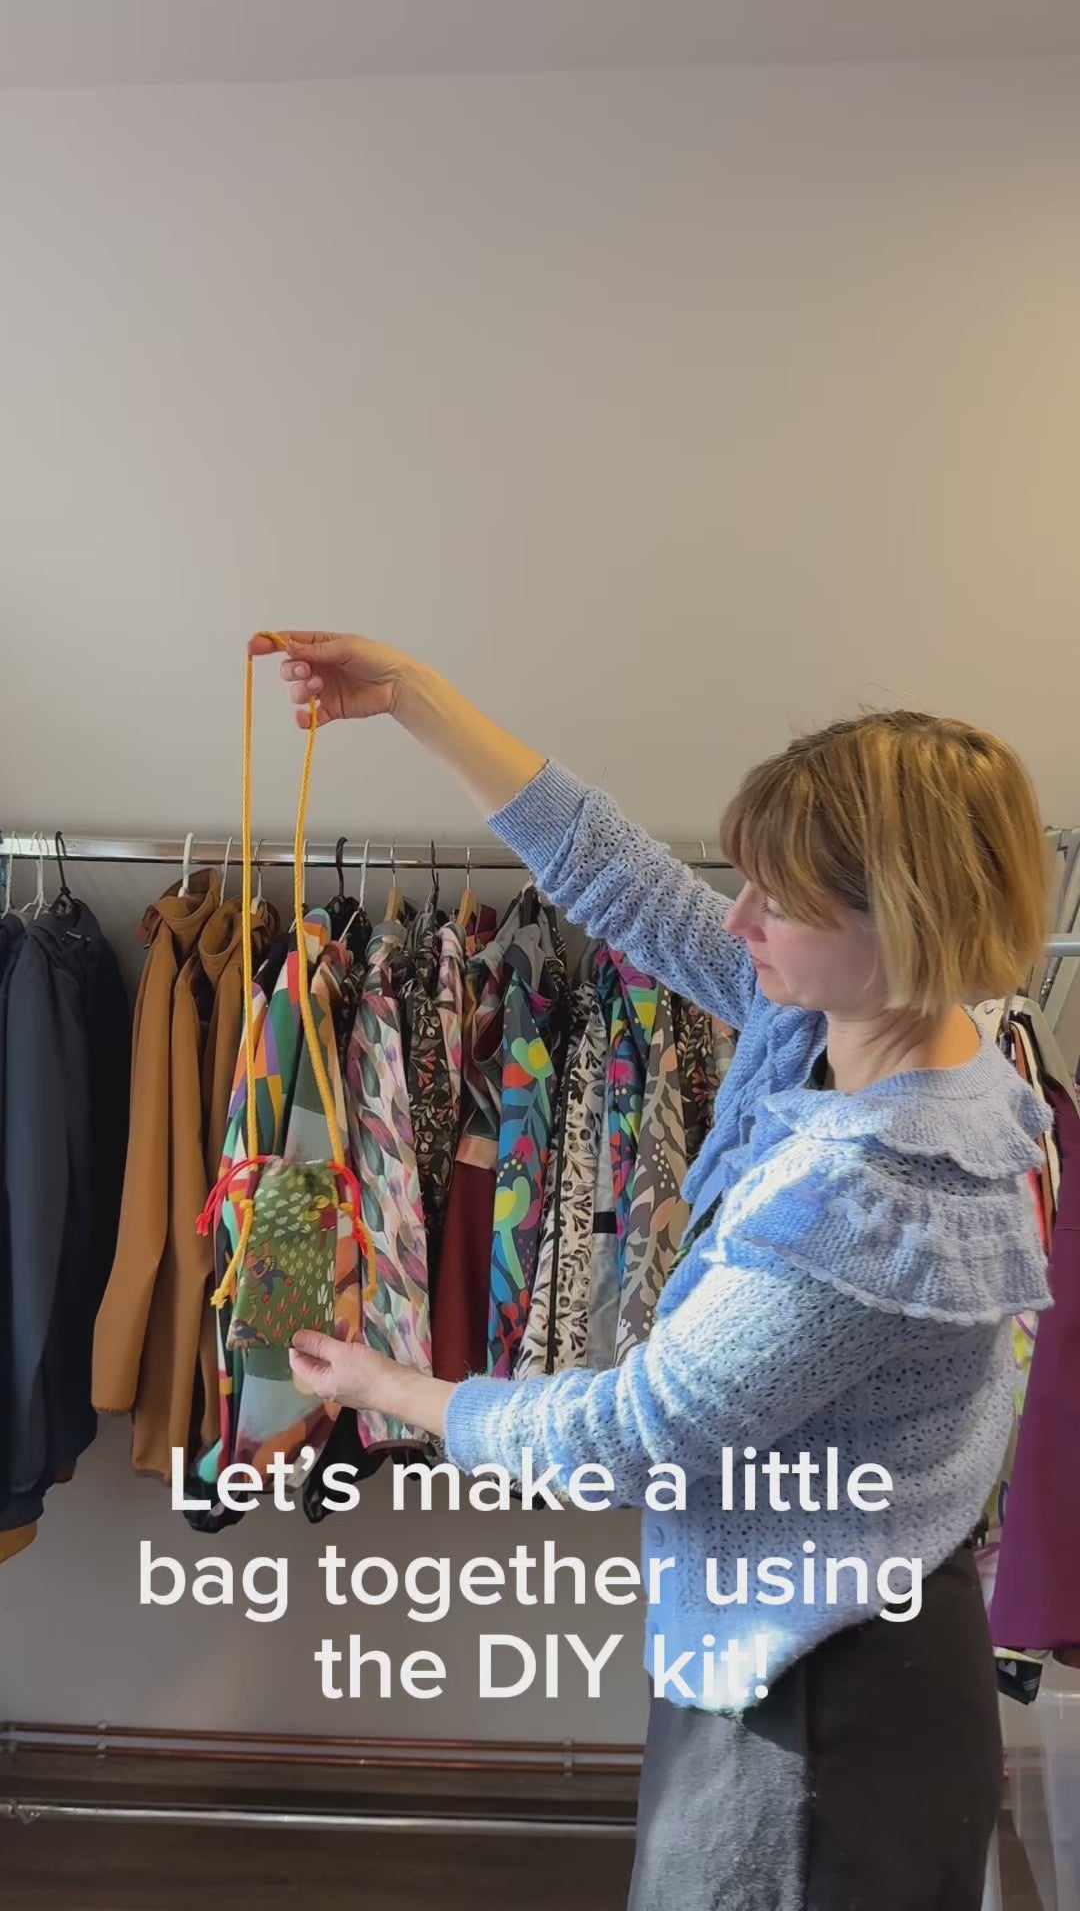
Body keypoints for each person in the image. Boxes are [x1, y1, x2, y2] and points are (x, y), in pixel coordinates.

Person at [252, 631, 1052, 1911]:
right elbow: (628, 885)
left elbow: (632, 1437)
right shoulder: (879, 1027)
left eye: (779, 899)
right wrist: (415, 699)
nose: (737, 919)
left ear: (902, 917)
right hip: (849, 1622)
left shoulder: (871, 1193)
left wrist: (386, 1385)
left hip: (820, 1716)